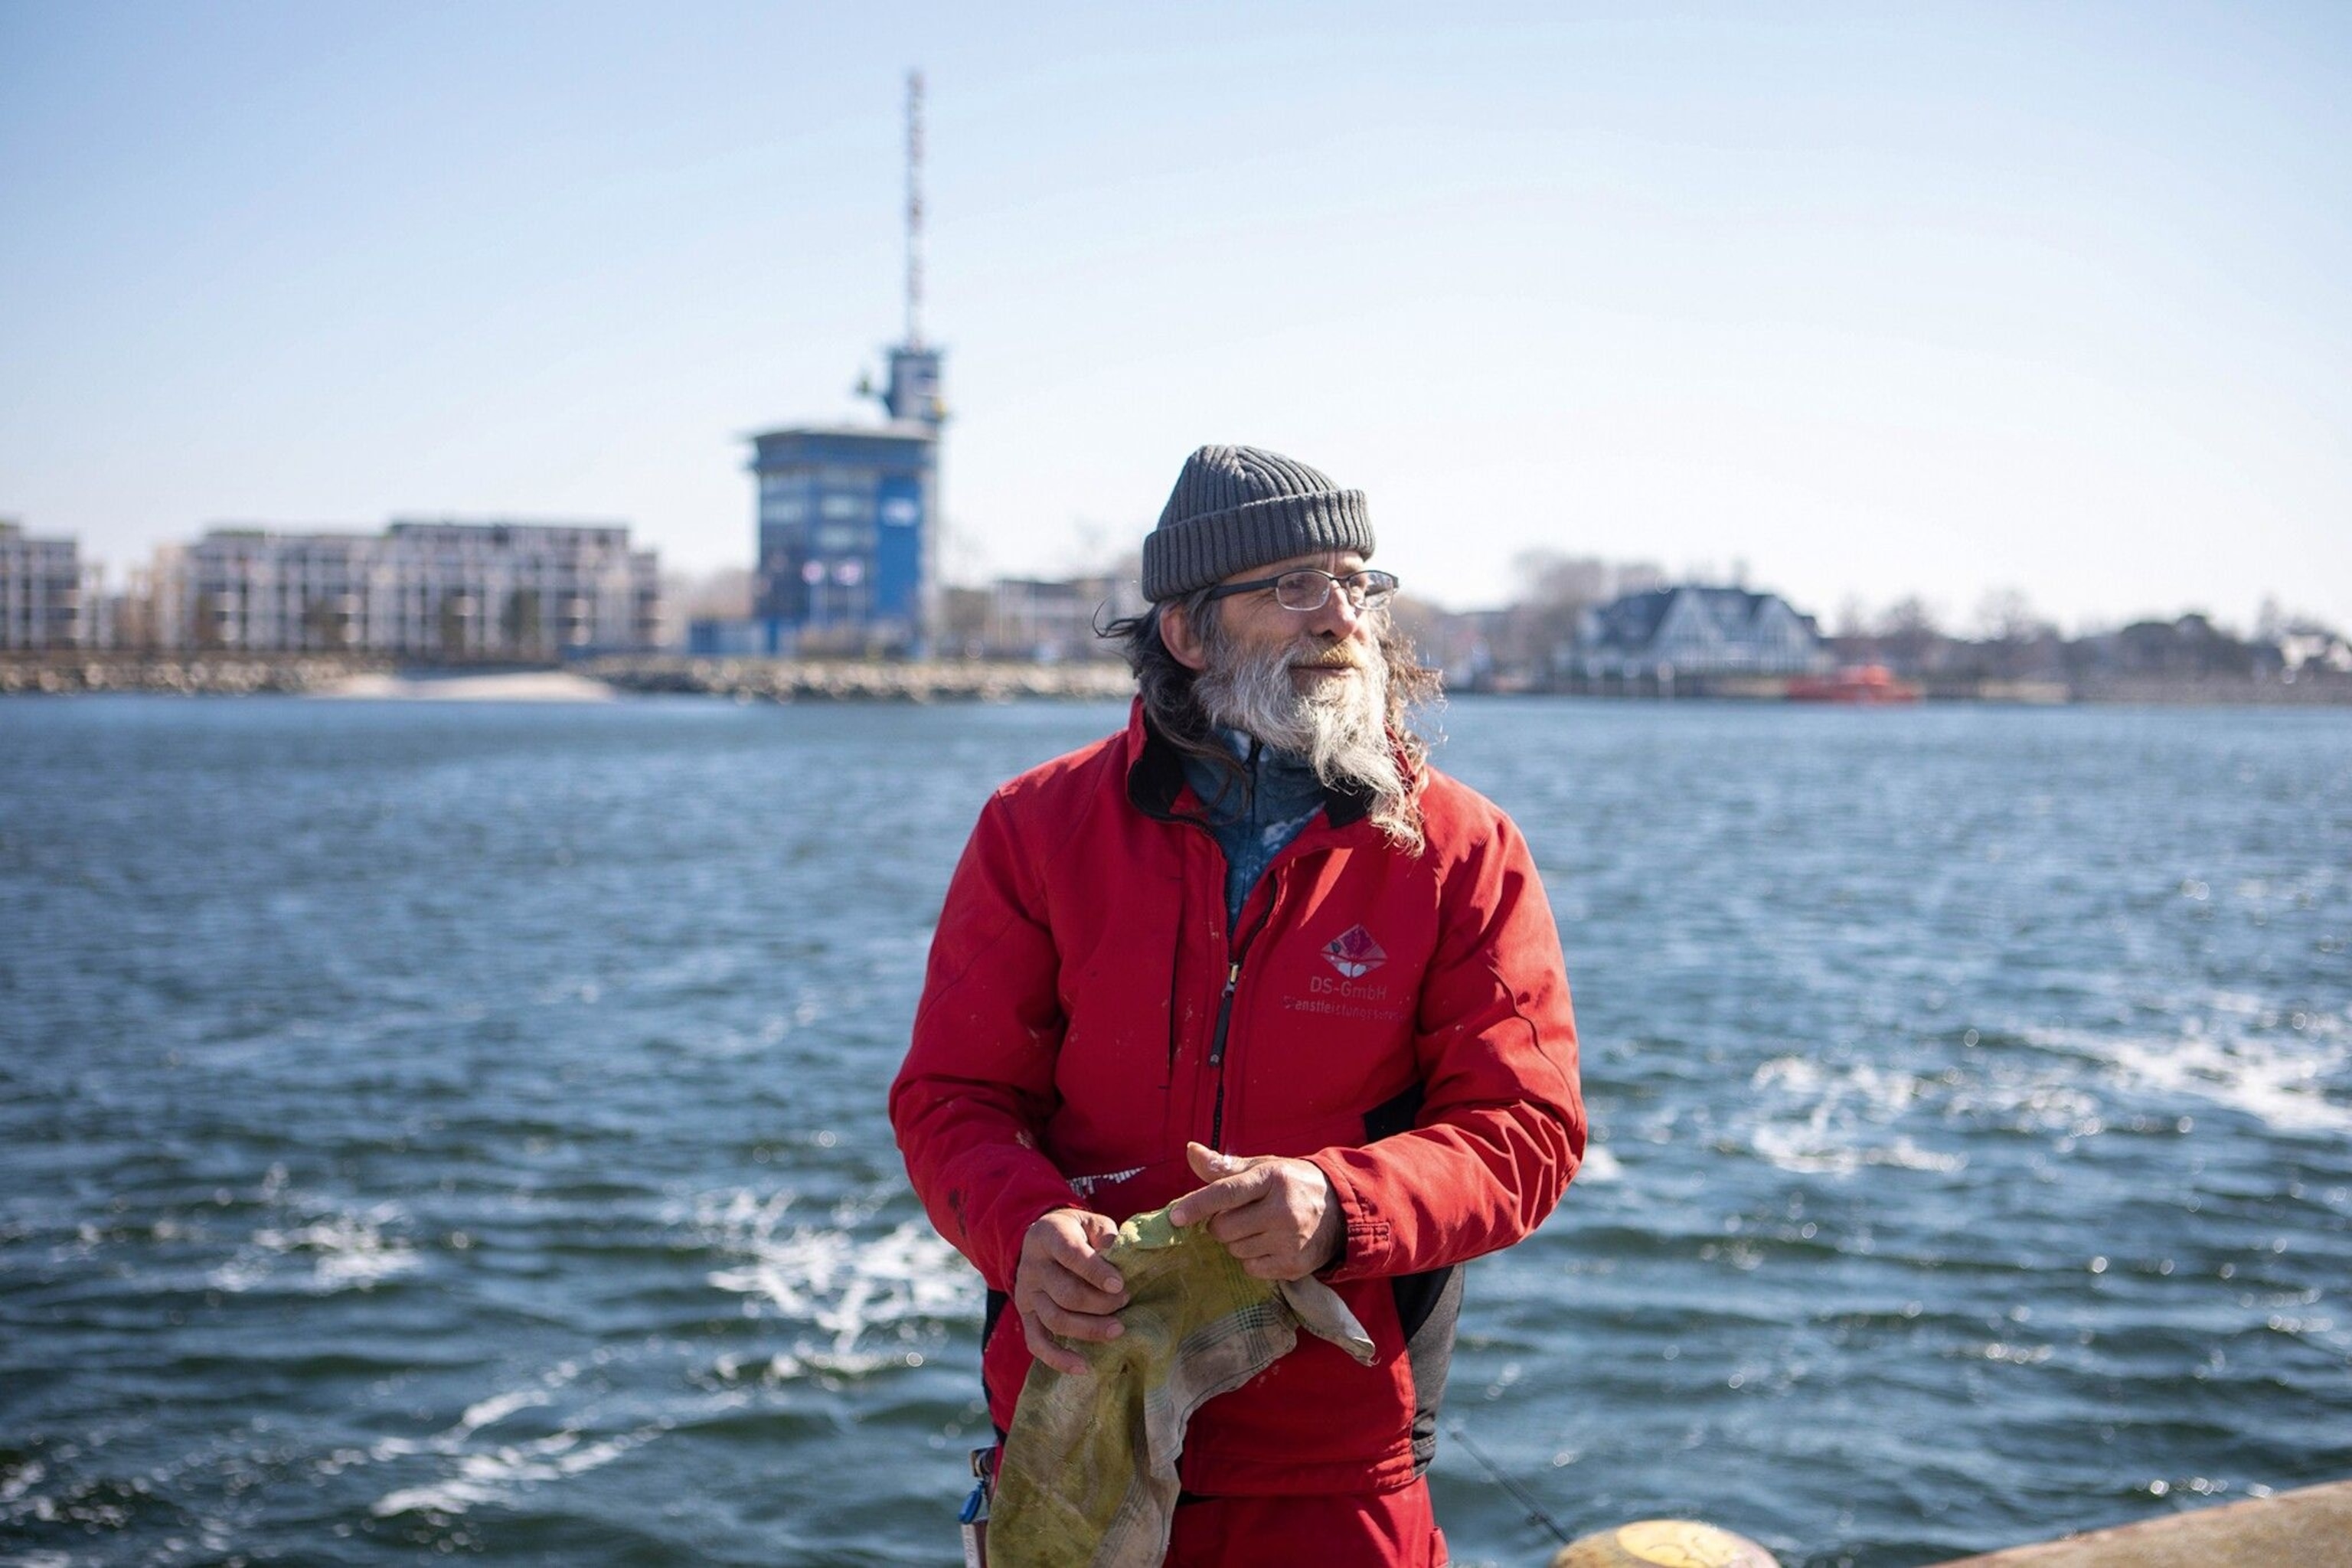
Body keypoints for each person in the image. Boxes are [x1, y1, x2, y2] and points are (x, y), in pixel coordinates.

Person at [890, 444, 1584, 1567]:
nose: (1344, 617)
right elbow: (953, 1097)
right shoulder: (1035, 829)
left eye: (1358, 583)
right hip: (1074, 1439)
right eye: (1299, 584)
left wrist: (1340, 1206)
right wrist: (1021, 1229)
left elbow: (1529, 1131)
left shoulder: (1462, 850)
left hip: (1332, 1472)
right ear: (1190, 631)